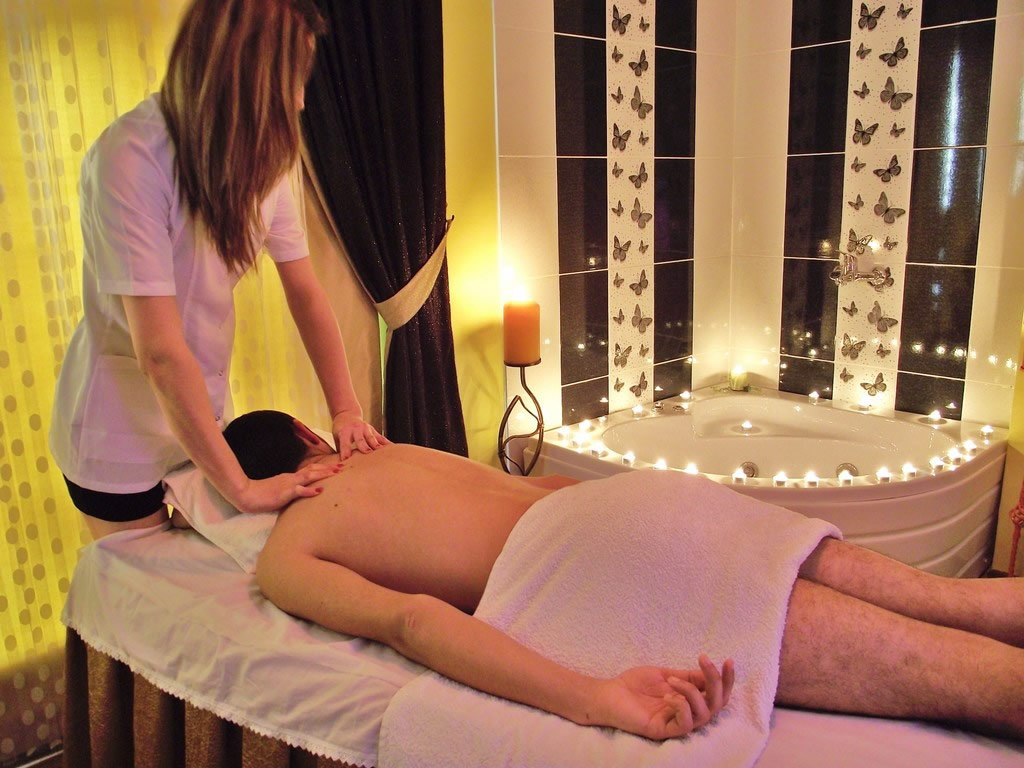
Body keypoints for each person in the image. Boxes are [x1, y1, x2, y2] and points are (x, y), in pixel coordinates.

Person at [219, 410, 1024, 743]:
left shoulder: (288, 552)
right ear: (308, 433)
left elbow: (414, 622)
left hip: (598, 556)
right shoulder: (386, 451)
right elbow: (544, 487)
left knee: (958, 679)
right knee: (953, 604)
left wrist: (595, 698)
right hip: (635, 501)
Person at [49, 0, 387, 541]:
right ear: (242, 71)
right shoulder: (131, 157)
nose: (300, 101)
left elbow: (304, 290)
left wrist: (346, 410)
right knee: (150, 589)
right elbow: (159, 352)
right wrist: (243, 490)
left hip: (200, 419)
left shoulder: (267, 157)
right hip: (119, 436)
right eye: (291, 78)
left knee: (217, 570)